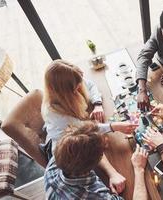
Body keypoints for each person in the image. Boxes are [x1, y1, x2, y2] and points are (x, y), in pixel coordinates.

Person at [42, 59, 138, 194]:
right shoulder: (54, 113)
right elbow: (86, 132)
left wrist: (97, 103)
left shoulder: (71, 82)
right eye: (76, 87)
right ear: (64, 91)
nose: (80, 88)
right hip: (70, 152)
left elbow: (91, 85)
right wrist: (114, 126)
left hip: (81, 144)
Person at [44, 122, 148, 200]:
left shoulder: (57, 161)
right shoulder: (94, 195)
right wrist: (139, 169)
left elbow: (84, 145)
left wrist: (112, 173)